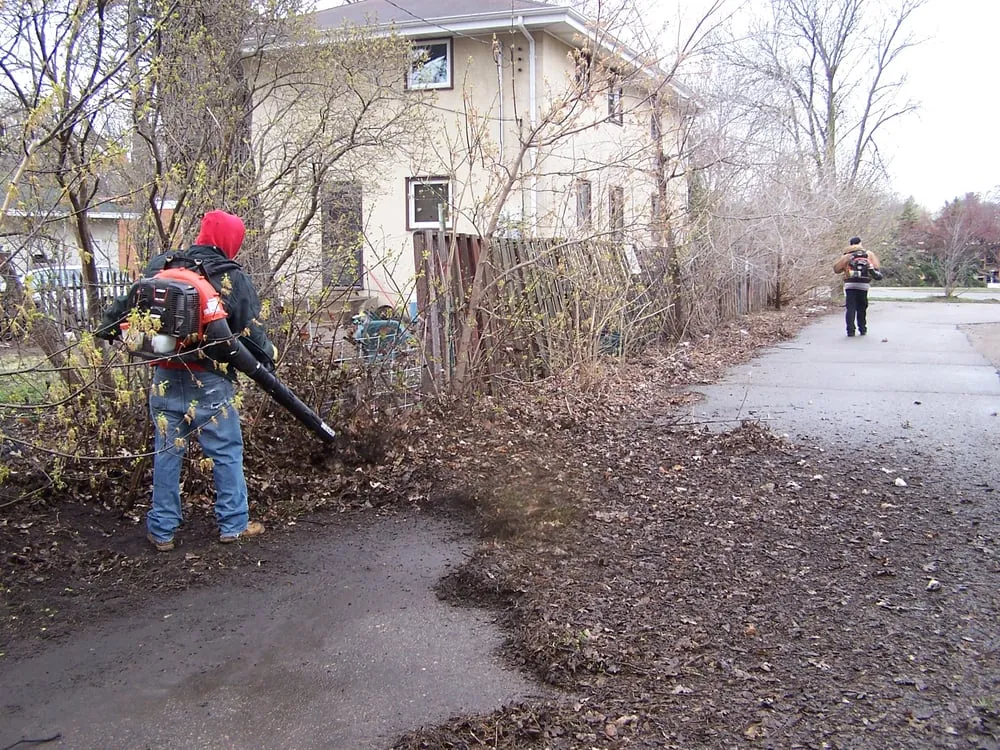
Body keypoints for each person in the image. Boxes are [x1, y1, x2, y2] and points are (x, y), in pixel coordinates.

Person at [99, 210, 276, 551]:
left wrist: (109, 330)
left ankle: (163, 530)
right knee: (224, 451)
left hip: (165, 375)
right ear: (230, 241)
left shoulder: (162, 266)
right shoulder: (229, 276)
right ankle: (233, 524)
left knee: (166, 452)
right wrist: (267, 360)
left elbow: (123, 307)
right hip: (208, 379)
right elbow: (250, 333)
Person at [833, 236, 882, 337]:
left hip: (850, 284)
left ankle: (850, 331)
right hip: (863, 284)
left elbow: (836, 269)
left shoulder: (847, 256)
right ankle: (862, 329)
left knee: (850, 307)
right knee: (862, 307)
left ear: (850, 245)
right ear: (860, 243)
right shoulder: (869, 254)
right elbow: (876, 267)